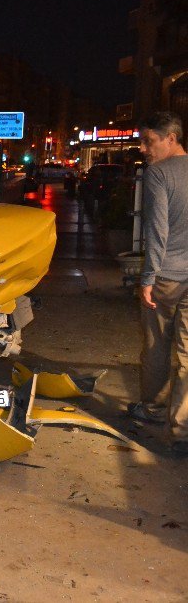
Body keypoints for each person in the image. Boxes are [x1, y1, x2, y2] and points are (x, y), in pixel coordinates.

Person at [131, 111, 188, 454]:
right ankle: (182, 430)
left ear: (171, 138)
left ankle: (152, 409)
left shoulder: (159, 174)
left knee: (156, 346)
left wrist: (148, 277)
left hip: (166, 276)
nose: (143, 148)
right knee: (187, 353)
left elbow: (157, 231)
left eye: (148, 141)